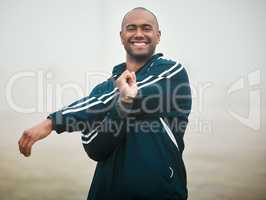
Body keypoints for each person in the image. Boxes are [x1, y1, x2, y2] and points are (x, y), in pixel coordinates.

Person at [18, 7, 192, 200]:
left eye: (146, 28)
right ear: (121, 36)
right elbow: (95, 149)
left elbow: (133, 93)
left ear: (158, 36)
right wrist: (122, 106)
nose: (139, 34)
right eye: (132, 28)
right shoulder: (101, 90)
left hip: (161, 193)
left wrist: (53, 122)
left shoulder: (171, 73)